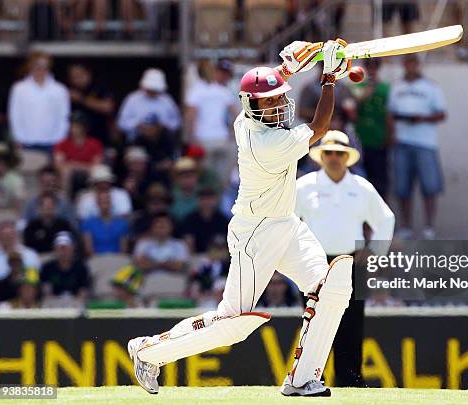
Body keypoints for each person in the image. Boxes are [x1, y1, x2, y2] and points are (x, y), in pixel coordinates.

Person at [127, 39, 353, 397]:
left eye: (281, 97)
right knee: (233, 323)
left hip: (286, 224)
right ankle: (148, 350)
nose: (279, 105)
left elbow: (267, 83)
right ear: (253, 107)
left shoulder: (242, 118)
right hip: (256, 233)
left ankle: (302, 379)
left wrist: (290, 66)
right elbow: (321, 126)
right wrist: (328, 78)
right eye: (271, 101)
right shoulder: (267, 144)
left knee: (333, 289)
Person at [296, 130, 395, 387]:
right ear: (321, 156)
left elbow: (386, 219)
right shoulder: (304, 186)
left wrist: (373, 250)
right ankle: (309, 379)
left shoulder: (361, 188)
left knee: (351, 323)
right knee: (314, 324)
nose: (334, 158)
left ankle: (349, 380)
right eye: (328, 152)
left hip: (351, 262)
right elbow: (286, 221)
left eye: (339, 153)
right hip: (315, 264)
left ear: (347, 157)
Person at [387, 54, 446, 240]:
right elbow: (390, 113)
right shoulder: (396, 87)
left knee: (430, 186)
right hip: (402, 141)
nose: (410, 66)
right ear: (404, 65)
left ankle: (429, 226)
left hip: (425, 142)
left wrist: (423, 118)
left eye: (413, 62)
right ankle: (406, 226)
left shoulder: (431, 87)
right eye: (407, 62)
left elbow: (442, 114)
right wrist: (392, 132)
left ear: (418, 65)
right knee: (403, 187)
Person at [184, 59, 237, 177]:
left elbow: (190, 116)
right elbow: (236, 115)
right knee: (220, 179)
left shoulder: (196, 90)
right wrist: (231, 133)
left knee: (206, 179)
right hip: (222, 139)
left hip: (203, 140)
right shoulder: (222, 90)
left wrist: (190, 138)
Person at [8, 52, 70, 152]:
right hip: (26, 141)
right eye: (37, 65)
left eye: (44, 65)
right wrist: (18, 138)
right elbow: (15, 115)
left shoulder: (60, 89)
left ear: (49, 67)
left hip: (52, 141)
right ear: (30, 66)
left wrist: (60, 139)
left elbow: (63, 116)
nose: (40, 69)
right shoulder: (19, 88)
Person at [350, 59, 390, 197]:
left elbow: (389, 114)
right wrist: (364, 94)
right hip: (360, 141)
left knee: (380, 181)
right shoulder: (357, 87)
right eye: (369, 65)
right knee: (361, 179)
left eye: (375, 65)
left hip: (380, 139)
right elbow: (351, 112)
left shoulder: (386, 88)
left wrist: (389, 136)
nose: (372, 68)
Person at [117, 68, 181, 142]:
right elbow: (121, 123)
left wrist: (162, 127)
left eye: (155, 90)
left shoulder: (167, 100)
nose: (152, 92)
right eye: (150, 89)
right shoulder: (132, 99)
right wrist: (138, 126)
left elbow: (177, 122)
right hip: (136, 142)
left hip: (162, 143)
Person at [54, 111, 104, 195]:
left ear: (84, 127)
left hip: (87, 172)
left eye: (76, 125)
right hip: (69, 173)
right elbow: (58, 165)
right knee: (65, 171)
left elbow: (97, 164)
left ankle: (92, 199)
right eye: (71, 125)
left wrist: (76, 165)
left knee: (96, 171)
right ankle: (66, 200)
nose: (72, 128)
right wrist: (81, 166)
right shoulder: (62, 144)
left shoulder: (95, 143)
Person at [66, 62, 115, 146]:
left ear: (88, 74)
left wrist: (81, 99)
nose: (76, 79)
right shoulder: (67, 90)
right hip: (76, 141)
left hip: (99, 137)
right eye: (73, 77)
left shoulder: (100, 87)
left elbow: (108, 107)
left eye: (79, 75)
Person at [0, 221, 40, 309]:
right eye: (3, 235)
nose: (7, 238)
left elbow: (35, 281)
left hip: (26, 300)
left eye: (10, 235)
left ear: (16, 235)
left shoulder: (30, 254)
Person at [40, 232, 91, 305]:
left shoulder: (81, 268)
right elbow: (46, 292)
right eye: (60, 248)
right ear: (55, 250)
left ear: (72, 249)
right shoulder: (47, 268)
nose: (63, 251)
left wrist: (72, 302)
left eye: (66, 248)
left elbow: (83, 292)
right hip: (54, 303)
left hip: (75, 302)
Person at [81, 190, 130, 256]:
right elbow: (89, 249)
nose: (104, 204)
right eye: (102, 201)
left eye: (107, 201)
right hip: (96, 260)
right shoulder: (88, 223)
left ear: (111, 202)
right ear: (97, 203)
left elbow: (123, 249)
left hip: (117, 260)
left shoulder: (122, 223)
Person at [181, 188, 228, 254]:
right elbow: (188, 242)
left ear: (216, 200)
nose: (206, 202)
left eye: (209, 199)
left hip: (218, 255)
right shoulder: (190, 219)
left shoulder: (223, 220)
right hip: (197, 257)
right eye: (203, 199)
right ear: (198, 200)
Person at [0, 142, 25, 211]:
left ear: (8, 162)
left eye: (2, 160)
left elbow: (18, 204)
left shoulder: (16, 180)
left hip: (8, 216)